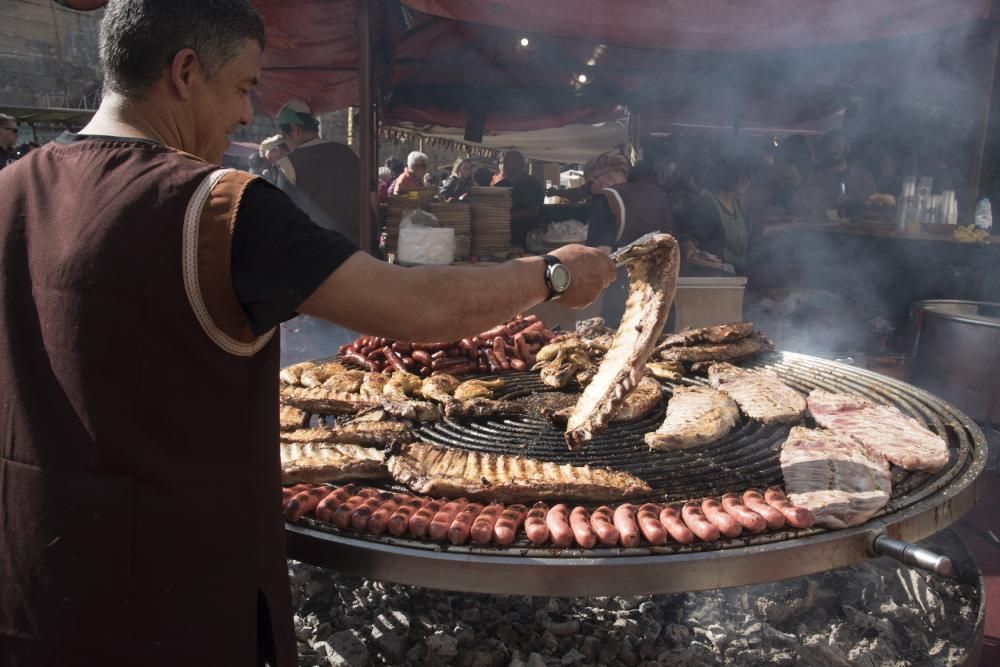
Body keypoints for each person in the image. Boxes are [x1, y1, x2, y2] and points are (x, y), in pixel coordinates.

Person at [0, 2, 616, 665]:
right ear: (184, 71)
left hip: (32, 590)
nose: (245, 114)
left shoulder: (10, 188)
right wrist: (549, 274)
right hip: (172, 607)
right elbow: (413, 305)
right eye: (241, 86)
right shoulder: (221, 207)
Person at [585, 152, 676, 325]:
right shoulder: (657, 194)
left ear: (595, 180)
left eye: (588, 185)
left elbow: (600, 256)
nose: (590, 190)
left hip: (625, 301)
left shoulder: (604, 199)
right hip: (663, 298)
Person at [273, 99, 362, 246]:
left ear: (295, 129)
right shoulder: (347, 153)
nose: (286, 142)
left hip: (317, 255)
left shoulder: (287, 165)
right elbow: (369, 199)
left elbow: (285, 220)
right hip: (357, 250)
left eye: (284, 136)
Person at [679, 155, 754, 273]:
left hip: (737, 276)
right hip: (716, 276)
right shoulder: (707, 205)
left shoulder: (735, 203)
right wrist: (689, 249)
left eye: (748, 178)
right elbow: (689, 236)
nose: (747, 182)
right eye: (744, 178)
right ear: (732, 179)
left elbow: (749, 230)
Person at [793, 129, 876, 217]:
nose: (832, 149)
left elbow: (873, 207)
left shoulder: (863, 177)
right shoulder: (813, 177)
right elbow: (797, 207)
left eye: (837, 144)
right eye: (828, 146)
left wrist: (853, 205)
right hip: (821, 229)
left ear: (847, 147)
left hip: (857, 229)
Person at [493, 150, 544, 247]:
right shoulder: (501, 186)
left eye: (512, 169)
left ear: (521, 167)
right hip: (503, 235)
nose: (508, 172)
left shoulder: (533, 184)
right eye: (506, 168)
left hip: (527, 236)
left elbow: (534, 210)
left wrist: (510, 216)